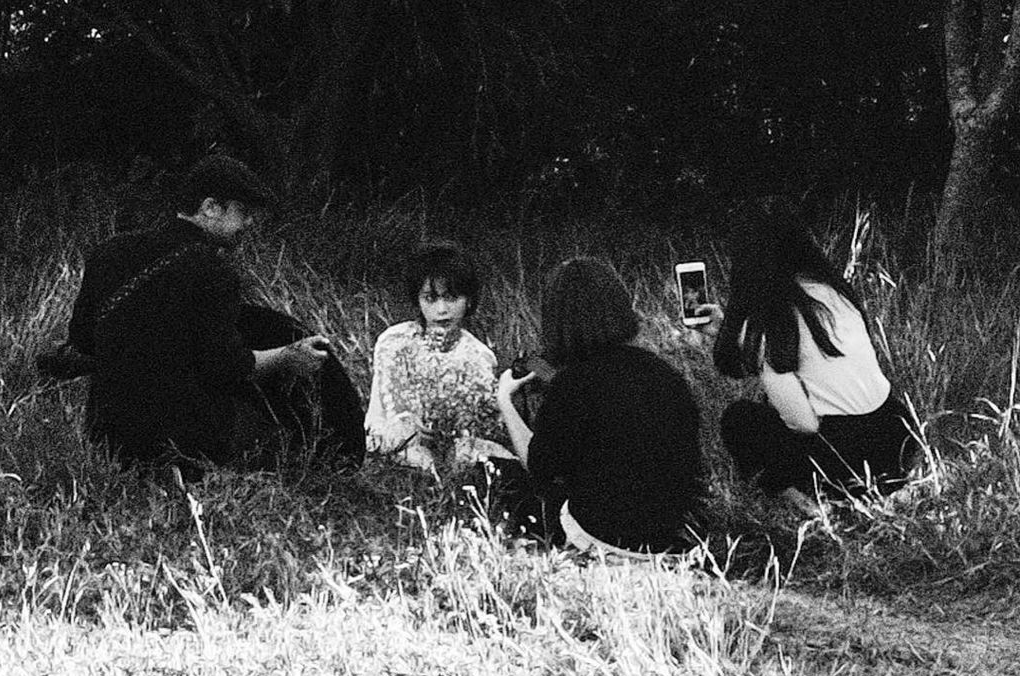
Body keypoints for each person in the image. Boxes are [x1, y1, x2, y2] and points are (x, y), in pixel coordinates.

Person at [55, 154, 363, 473]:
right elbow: (228, 368)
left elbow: (83, 339)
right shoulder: (212, 271)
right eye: (243, 212)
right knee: (287, 445)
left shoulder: (110, 251)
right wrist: (288, 356)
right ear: (210, 207)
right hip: (180, 442)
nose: (249, 223)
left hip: (107, 435)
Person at [712, 199, 917, 508]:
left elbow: (804, 425)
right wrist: (729, 332)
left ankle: (801, 501)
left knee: (739, 419)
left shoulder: (773, 321)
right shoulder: (831, 291)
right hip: (895, 435)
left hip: (847, 458)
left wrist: (743, 335)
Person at [497, 258, 705, 556]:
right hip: (671, 533)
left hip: (605, 534)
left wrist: (505, 401)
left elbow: (539, 467)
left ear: (555, 320)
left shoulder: (571, 384)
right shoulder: (664, 373)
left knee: (509, 479)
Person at [365, 243, 514, 471]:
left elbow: (477, 423)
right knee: (418, 455)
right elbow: (393, 411)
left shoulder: (479, 356)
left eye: (451, 298)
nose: (442, 309)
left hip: (451, 447)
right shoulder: (395, 342)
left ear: (468, 300)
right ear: (418, 300)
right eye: (430, 298)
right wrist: (415, 425)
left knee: (478, 454)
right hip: (393, 439)